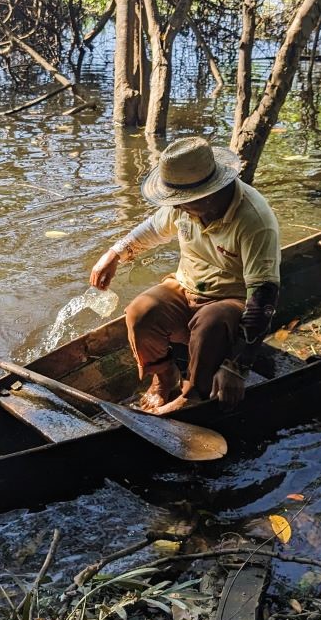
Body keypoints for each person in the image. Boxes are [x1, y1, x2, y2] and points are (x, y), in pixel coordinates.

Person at [90, 137, 280, 415]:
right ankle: (165, 375)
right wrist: (114, 254)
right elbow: (152, 229)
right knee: (140, 311)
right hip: (185, 286)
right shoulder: (185, 205)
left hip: (232, 301)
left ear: (210, 193)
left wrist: (236, 367)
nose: (177, 208)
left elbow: (263, 297)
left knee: (211, 323)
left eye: (184, 202)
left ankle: (193, 395)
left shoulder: (254, 220)